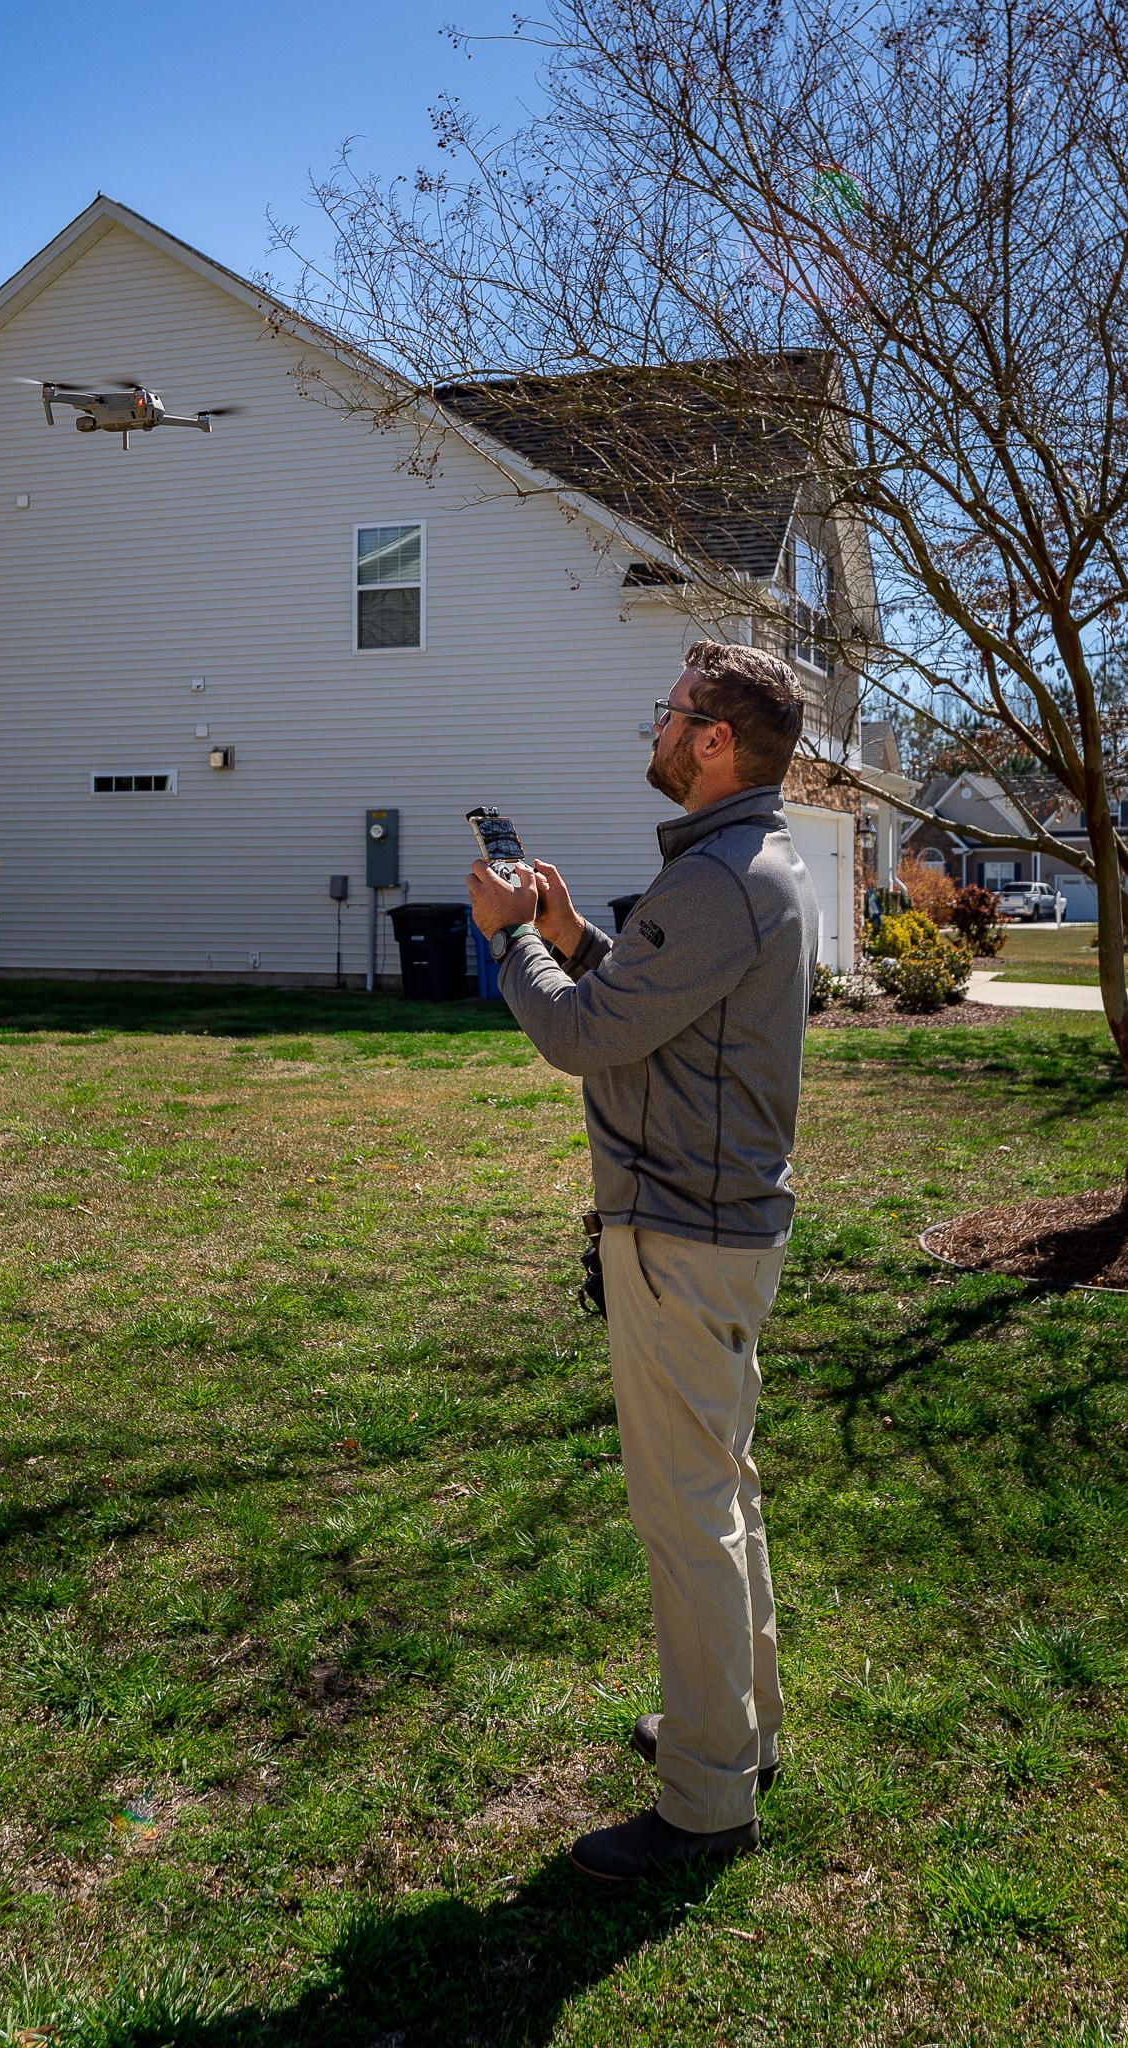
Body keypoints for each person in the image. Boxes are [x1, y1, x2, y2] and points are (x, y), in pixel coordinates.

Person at [466, 640, 819, 1886]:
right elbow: (658, 1015)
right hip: (718, 1226)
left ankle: (706, 1797)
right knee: (719, 1492)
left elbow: (579, 1034)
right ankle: (737, 1731)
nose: (656, 729)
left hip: (680, 1232)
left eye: (671, 713)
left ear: (714, 740)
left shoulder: (719, 880)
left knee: (687, 1518)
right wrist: (577, 929)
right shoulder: (747, 866)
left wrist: (514, 938)